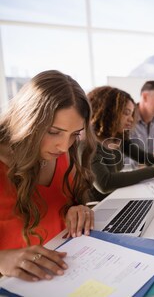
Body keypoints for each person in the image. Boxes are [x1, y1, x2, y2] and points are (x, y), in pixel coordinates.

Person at [0, 70, 96, 281]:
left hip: (68, 272)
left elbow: (62, 206)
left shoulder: (62, 155)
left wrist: (77, 209)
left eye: (74, 135)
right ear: (27, 120)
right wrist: (2, 259)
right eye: (54, 132)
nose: (64, 146)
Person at [87, 86, 154, 201]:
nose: (131, 119)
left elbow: (143, 157)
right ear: (109, 111)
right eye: (126, 113)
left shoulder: (117, 138)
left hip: (116, 198)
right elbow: (105, 183)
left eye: (132, 114)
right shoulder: (87, 143)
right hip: (96, 207)